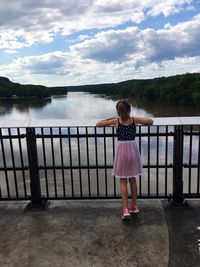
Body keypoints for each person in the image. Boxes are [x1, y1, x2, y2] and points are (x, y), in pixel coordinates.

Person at [96, 99, 153, 221]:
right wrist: (135, 117)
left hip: (122, 152)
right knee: (132, 179)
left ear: (118, 111)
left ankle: (125, 210)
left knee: (123, 180)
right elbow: (150, 121)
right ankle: (134, 206)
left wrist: (109, 118)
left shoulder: (115, 121)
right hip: (133, 151)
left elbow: (98, 124)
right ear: (129, 109)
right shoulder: (133, 120)